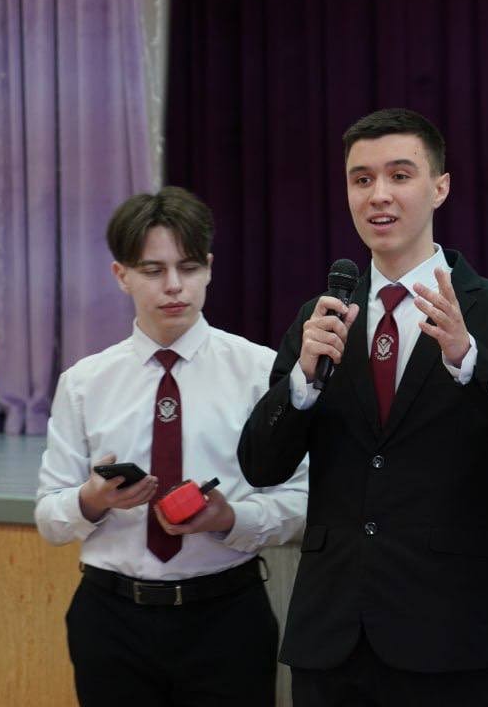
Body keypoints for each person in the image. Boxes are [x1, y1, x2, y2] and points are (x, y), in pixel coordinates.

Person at [238, 108, 488, 706]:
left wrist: (470, 360)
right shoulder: (321, 319)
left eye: (399, 175)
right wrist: (301, 383)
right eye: (361, 179)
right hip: (332, 641)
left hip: (452, 639)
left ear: (440, 187)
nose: (379, 195)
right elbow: (261, 465)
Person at [35, 186, 308, 707]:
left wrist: (230, 519)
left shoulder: (261, 372)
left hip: (227, 616)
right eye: (153, 270)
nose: (174, 286)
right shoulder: (85, 382)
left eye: (188, 267)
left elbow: (302, 500)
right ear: (122, 275)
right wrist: (92, 500)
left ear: (209, 268)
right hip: (111, 619)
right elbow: (49, 517)